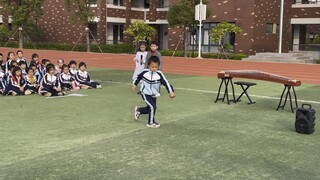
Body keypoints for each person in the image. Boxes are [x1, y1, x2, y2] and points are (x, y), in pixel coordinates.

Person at [132, 56, 175, 128]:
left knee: (151, 108)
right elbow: (138, 78)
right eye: (152, 67)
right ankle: (150, 122)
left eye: (156, 67)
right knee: (152, 107)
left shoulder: (159, 74)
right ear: (148, 65)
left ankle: (139, 110)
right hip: (145, 93)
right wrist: (134, 84)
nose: (154, 69)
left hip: (154, 94)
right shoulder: (144, 72)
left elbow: (166, 83)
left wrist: (171, 91)